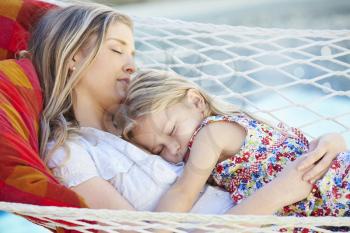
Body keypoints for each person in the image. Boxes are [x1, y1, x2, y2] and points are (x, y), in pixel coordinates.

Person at [26, 2, 346, 216]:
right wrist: (281, 192)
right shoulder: (70, 151)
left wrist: (329, 145)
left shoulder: (144, 119)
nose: (131, 65)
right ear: (73, 58)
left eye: (133, 53)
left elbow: (259, 151)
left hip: (310, 203)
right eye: (116, 49)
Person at [116, 69, 349, 216]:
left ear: (196, 102)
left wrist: (150, 227)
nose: (174, 148)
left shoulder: (211, 133)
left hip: (335, 190)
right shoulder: (230, 131)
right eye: (159, 149)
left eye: (172, 130)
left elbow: (183, 192)